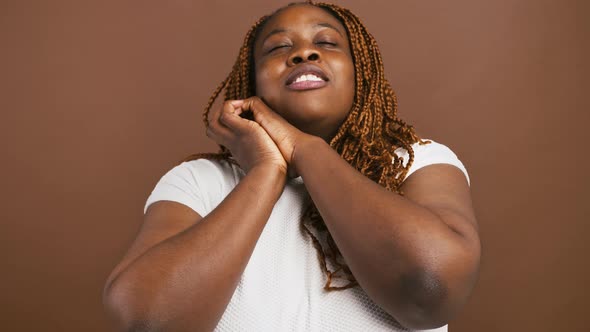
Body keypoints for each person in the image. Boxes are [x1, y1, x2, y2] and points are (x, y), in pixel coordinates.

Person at [103, 1, 481, 331]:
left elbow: (430, 290)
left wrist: (303, 149)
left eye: (327, 43)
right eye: (278, 48)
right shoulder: (199, 181)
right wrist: (267, 170)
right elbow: (147, 321)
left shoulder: (415, 161)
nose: (303, 53)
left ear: (362, 73)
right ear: (251, 84)